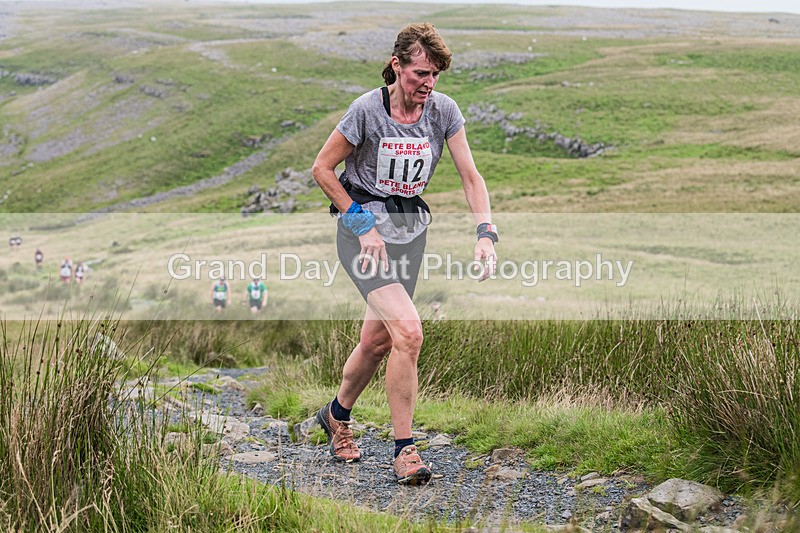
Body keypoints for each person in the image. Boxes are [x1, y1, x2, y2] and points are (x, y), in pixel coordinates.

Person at [311, 22, 498, 486]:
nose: (428, 84)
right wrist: (360, 222)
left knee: (378, 341)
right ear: (397, 66)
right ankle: (405, 451)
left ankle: (336, 416)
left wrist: (485, 232)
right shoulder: (365, 111)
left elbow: (471, 177)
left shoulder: (443, 112)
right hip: (361, 238)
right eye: (420, 74)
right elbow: (322, 168)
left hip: (410, 236)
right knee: (409, 333)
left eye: (435, 75)